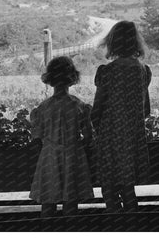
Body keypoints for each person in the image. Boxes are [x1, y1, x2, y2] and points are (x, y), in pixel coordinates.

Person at [91, 20, 152, 213]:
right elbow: (146, 109)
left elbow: (97, 109)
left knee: (109, 186)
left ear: (113, 42)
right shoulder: (143, 71)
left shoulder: (108, 71)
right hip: (133, 137)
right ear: (136, 43)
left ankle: (114, 223)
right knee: (128, 187)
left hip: (111, 136)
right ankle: (132, 224)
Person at [29, 56, 94, 217]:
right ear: (72, 78)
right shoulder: (79, 106)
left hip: (50, 157)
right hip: (73, 157)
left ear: (50, 78)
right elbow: (88, 137)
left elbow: (36, 138)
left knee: (48, 201)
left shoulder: (43, 108)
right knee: (71, 201)